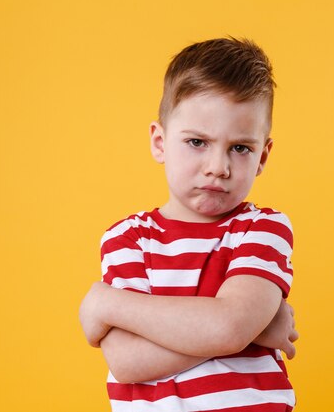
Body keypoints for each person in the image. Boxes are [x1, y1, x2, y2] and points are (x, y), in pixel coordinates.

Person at [79, 36, 299, 412]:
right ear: (160, 143)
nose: (218, 166)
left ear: (263, 156)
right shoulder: (127, 239)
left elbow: (230, 327)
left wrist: (108, 304)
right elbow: (128, 361)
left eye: (240, 148)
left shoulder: (263, 229)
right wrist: (256, 331)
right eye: (197, 142)